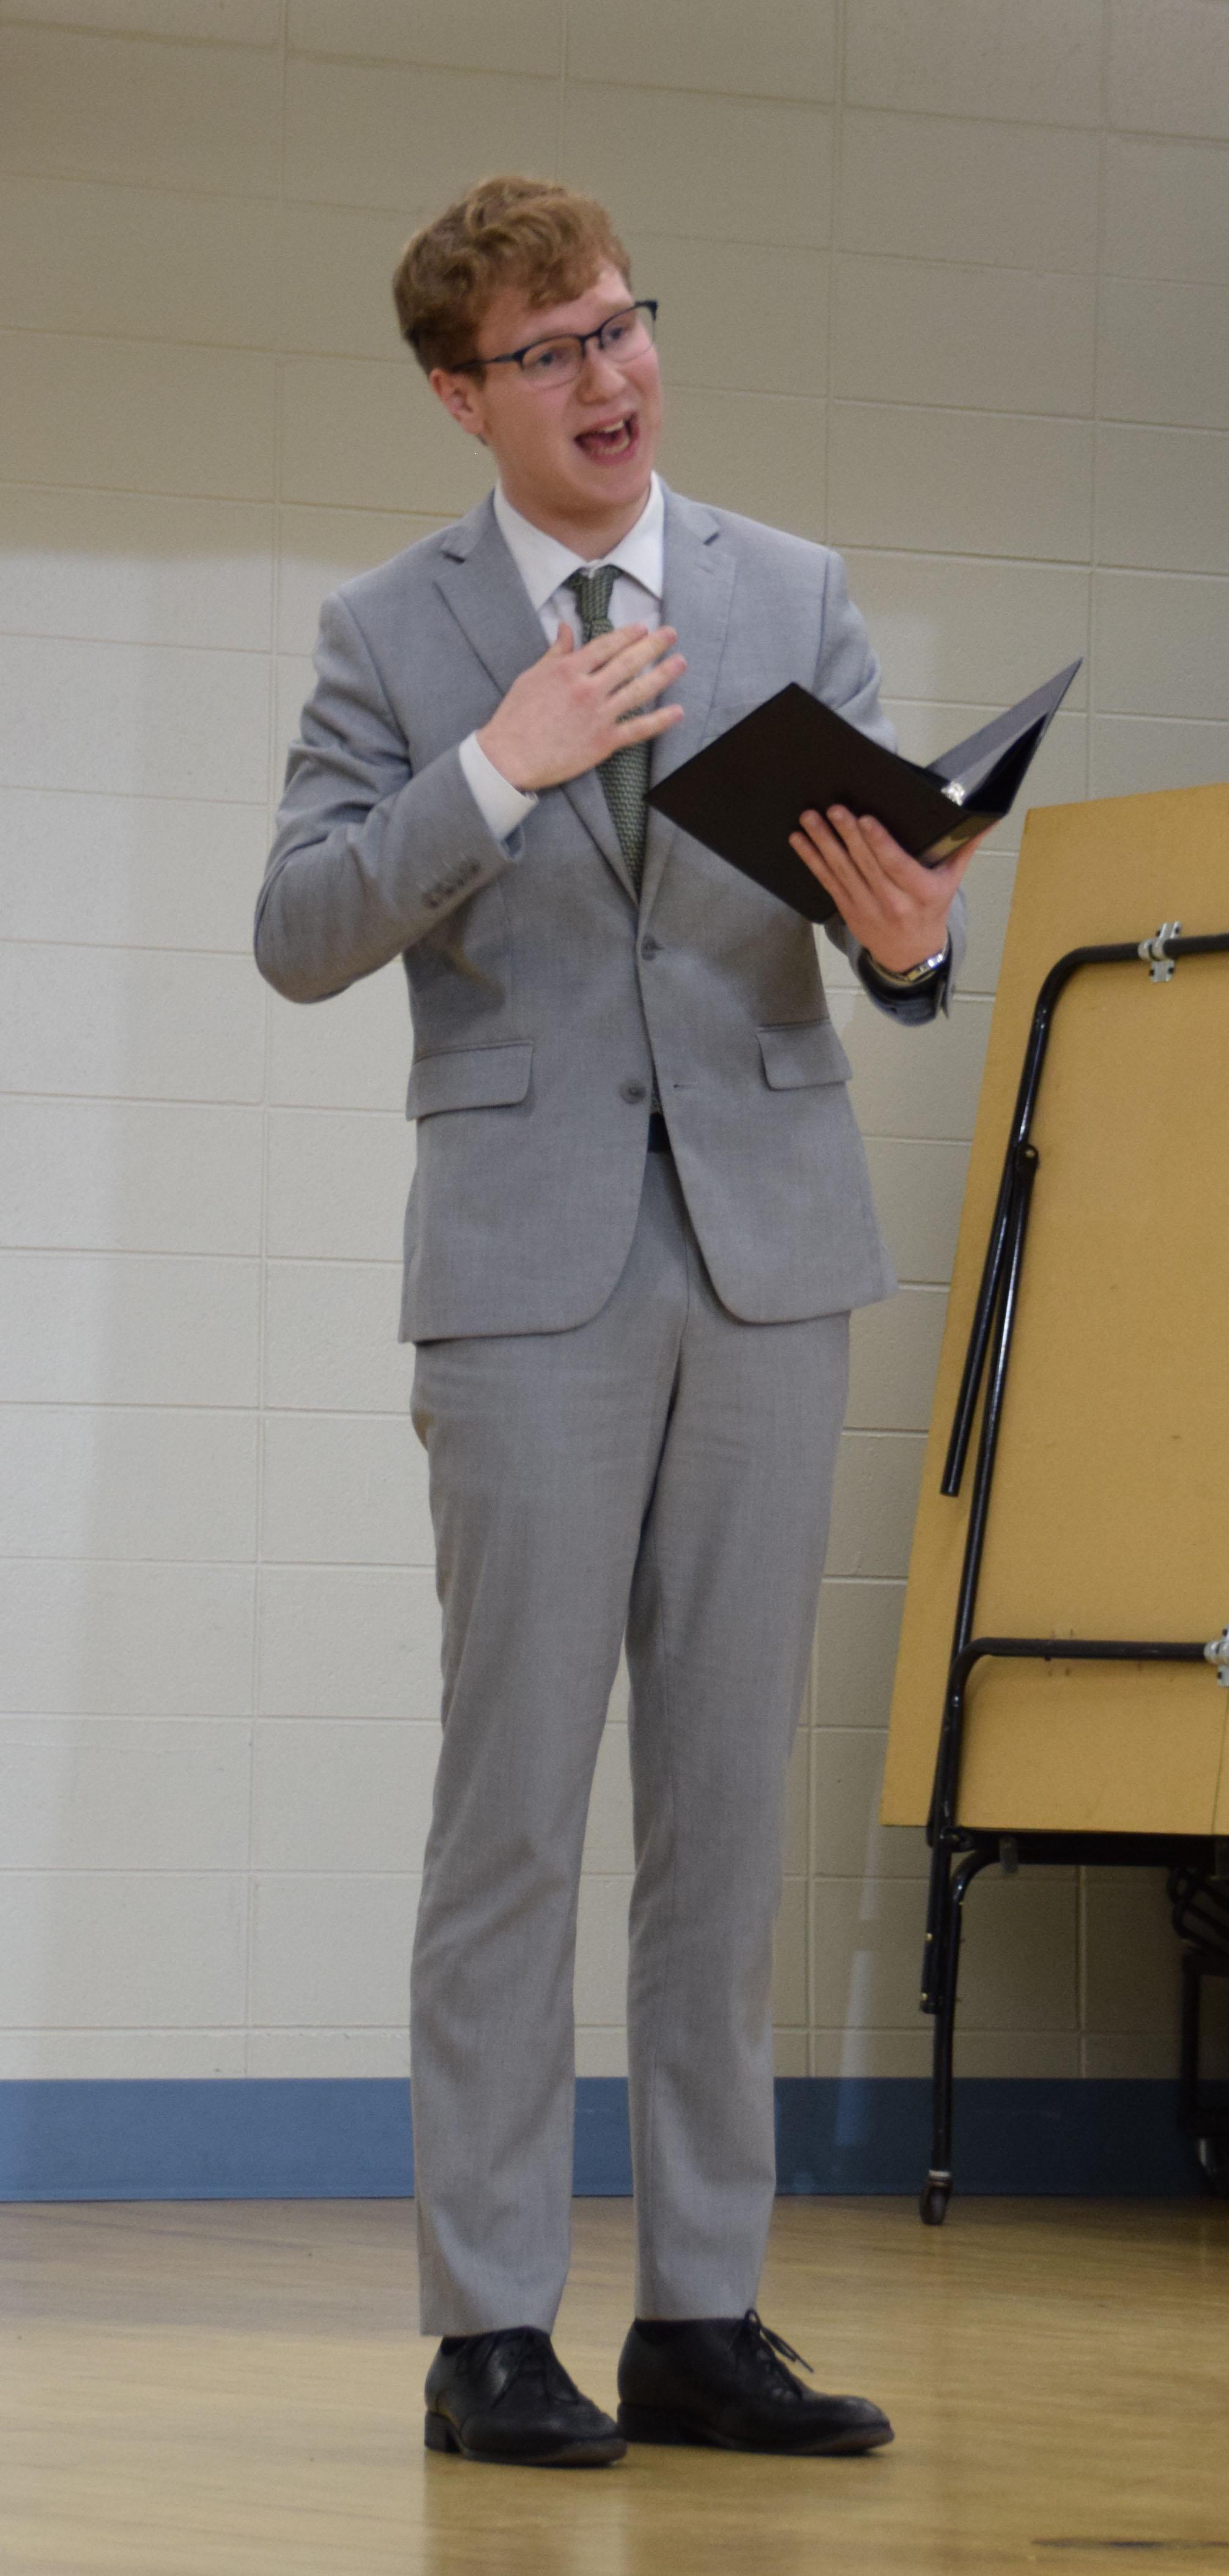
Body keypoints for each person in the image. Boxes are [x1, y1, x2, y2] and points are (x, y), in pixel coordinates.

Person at [255, 173, 976, 2471]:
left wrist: (910, 942)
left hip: (769, 1250)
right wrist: (502, 760)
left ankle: (702, 2308)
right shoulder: (392, 630)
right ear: (458, 394)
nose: (608, 375)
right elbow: (297, 926)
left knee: (724, 1811)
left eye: (621, 324)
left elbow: (884, 918)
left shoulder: (792, 590)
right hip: (527, 1274)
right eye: (550, 349)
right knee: (513, 1816)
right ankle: (486, 2322)